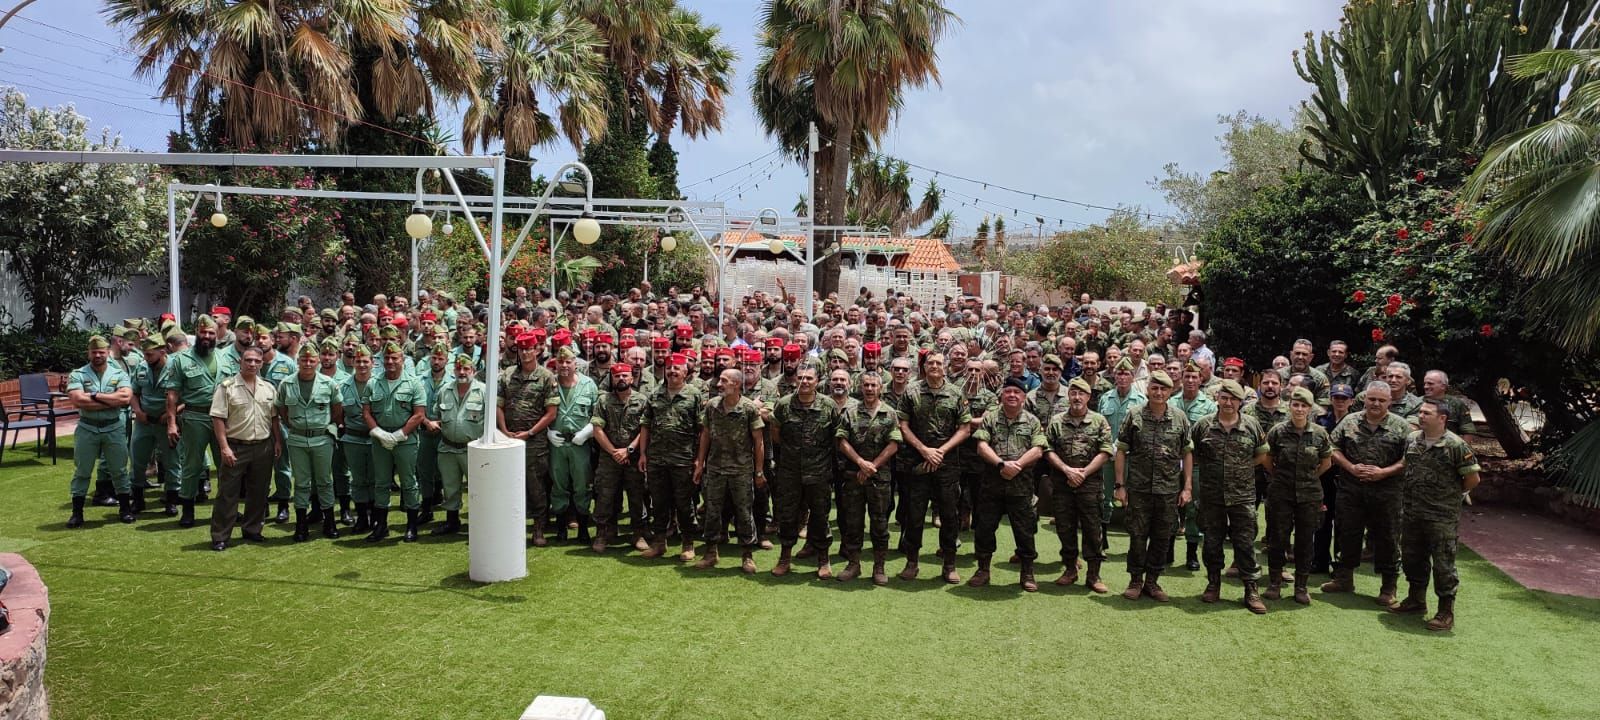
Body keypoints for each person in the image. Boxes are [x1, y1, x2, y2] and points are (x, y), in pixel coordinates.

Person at [1389, 399, 1481, 631]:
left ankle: (1445, 612)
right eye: (1420, 412)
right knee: (1412, 557)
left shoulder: (1456, 445)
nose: (1421, 416)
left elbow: (1472, 479)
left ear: (1442, 418)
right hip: (1412, 512)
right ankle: (1416, 600)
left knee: (1443, 565)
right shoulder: (1412, 439)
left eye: (1427, 413)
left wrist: (1449, 497)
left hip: (1441, 517)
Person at [1323, 381, 1411, 605]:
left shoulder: (1401, 427)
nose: (1375, 403)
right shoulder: (1350, 421)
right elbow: (1332, 448)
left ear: (1390, 402)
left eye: (1381, 400)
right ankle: (1344, 578)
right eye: (1372, 399)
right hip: (1351, 491)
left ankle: (1388, 587)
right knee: (1346, 533)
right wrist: (1350, 467)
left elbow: (1410, 458)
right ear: (1365, 399)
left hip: (1387, 493)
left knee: (1388, 538)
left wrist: (1384, 472)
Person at [1189, 379, 1269, 612]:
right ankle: (1213, 584)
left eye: (1233, 398)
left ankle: (1251, 589)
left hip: (1242, 496)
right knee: (1212, 542)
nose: (1228, 402)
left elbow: (1262, 455)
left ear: (1240, 402)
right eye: (1224, 397)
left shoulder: (1252, 425)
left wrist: (1241, 469)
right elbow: (1192, 455)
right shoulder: (1203, 426)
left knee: (1245, 543)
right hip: (1211, 495)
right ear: (1217, 399)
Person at [1113, 370, 1193, 602]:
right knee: (1137, 536)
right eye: (1154, 388)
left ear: (1170, 392)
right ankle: (1136, 580)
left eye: (1163, 389)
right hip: (1138, 489)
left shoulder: (1179, 418)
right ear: (1148, 389)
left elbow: (1187, 453)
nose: (1158, 393)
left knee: (1162, 537)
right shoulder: (1134, 415)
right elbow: (1121, 450)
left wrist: (1187, 487)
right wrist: (1120, 485)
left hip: (1168, 491)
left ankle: (1153, 581)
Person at [897, 353, 972, 584]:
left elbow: (965, 428)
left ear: (945, 366)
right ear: (924, 367)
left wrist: (941, 451)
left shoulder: (956, 393)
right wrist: (924, 450)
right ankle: (912, 562)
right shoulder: (911, 391)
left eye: (939, 363)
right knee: (915, 515)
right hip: (918, 463)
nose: (935, 366)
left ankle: (949, 564)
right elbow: (903, 425)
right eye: (931, 363)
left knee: (949, 515)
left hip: (947, 464)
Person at [770, 365, 842, 576]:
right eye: (801, 377)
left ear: (817, 381)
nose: (804, 382)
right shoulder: (784, 405)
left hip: (819, 473)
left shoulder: (828, 405)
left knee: (820, 517)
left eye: (809, 378)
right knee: (788, 515)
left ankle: (823, 560)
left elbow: (836, 437)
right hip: (790, 472)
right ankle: (784, 559)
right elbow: (776, 433)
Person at [1262, 387, 1333, 604]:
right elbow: (1267, 458)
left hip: (1309, 495)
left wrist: (1309, 478)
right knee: (1278, 538)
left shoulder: (1320, 434)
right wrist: (1278, 476)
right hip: (1281, 493)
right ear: (1290, 406)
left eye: (1304, 406)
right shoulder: (1278, 431)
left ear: (1310, 409)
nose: (1299, 409)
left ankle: (1301, 587)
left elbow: (1326, 462)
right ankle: (1274, 583)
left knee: (1305, 541)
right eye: (1296, 404)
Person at [1043, 377, 1113, 591]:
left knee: (1093, 530)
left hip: (1090, 485)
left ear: (1088, 397)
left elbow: (1106, 451)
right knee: (1065, 528)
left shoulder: (1099, 421)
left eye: (1081, 393)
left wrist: (1083, 473)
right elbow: (1047, 450)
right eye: (1073, 393)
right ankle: (1070, 569)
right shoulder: (1056, 421)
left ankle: (1094, 575)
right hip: (1063, 484)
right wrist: (1066, 470)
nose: (1076, 397)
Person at [692, 368, 764, 574]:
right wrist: (700, 463)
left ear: (736, 384)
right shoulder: (712, 406)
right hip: (715, 468)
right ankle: (710, 552)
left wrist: (759, 471)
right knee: (712, 511)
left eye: (724, 381)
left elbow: (758, 441)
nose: (719, 384)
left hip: (741, 469)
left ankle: (747, 555)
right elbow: (705, 435)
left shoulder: (749, 408)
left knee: (743, 512)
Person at [207, 347, 280, 551]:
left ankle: (252, 529)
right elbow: (218, 418)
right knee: (227, 493)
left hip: (263, 446)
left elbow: (274, 418)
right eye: (248, 360)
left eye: (257, 361)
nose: (252, 364)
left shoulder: (268, 388)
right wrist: (224, 447)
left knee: (259, 491)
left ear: (262, 363)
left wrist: (277, 441)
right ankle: (220, 535)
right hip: (236, 446)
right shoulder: (227, 387)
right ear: (240, 361)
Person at [835, 370, 902, 584]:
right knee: (853, 522)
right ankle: (853, 564)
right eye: (866, 385)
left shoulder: (890, 413)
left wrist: (872, 465)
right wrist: (860, 463)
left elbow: (894, 444)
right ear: (860, 387)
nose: (870, 389)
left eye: (874, 385)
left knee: (880, 523)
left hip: (879, 477)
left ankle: (879, 566)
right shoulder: (850, 411)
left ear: (880, 388)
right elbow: (842, 440)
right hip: (854, 475)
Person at [638, 353, 705, 562]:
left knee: (684, 504)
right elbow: (645, 425)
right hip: (657, 459)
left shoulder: (694, 395)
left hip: (683, 460)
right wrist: (642, 454)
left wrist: (699, 460)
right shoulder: (655, 394)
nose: (672, 371)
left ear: (686, 372)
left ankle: (688, 543)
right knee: (659, 503)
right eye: (669, 368)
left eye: (677, 368)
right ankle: (659, 543)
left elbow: (703, 430)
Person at [65, 335, 135, 527]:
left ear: (107, 353)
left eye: (101, 352)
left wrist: (94, 396)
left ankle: (125, 509)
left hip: (113, 427)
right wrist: (109, 400)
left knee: (119, 470)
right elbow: (78, 400)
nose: (97, 355)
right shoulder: (78, 374)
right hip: (87, 428)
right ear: (88, 353)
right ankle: (77, 513)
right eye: (94, 352)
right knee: (82, 471)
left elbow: (125, 398)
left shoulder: (119, 373)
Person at [276, 343, 342, 542]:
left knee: (324, 481)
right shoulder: (287, 384)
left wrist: (325, 426)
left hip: (322, 438)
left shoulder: (328, 383)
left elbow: (337, 409)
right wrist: (293, 426)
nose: (307, 363)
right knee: (302, 483)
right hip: (296, 438)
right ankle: (301, 524)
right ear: (298, 361)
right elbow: (282, 410)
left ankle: (329, 521)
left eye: (311, 360)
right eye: (303, 360)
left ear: (318, 361)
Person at [498, 332, 559, 546]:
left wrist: (531, 432)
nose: (525, 353)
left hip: (535, 441)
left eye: (529, 348)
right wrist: (504, 431)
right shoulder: (506, 375)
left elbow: (551, 412)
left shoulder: (546, 376)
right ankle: (510, 526)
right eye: (522, 349)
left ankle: (539, 527)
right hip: (509, 438)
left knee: (536, 486)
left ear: (537, 350)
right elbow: (499, 405)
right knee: (508, 484)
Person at [364, 342, 427, 543]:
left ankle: (411, 526)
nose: (390, 362)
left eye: (395, 358)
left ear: (403, 360)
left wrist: (399, 435)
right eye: (387, 358)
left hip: (405, 440)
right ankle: (381, 526)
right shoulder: (373, 383)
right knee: (381, 482)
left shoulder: (414, 383)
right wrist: (379, 433)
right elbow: (366, 412)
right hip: (380, 439)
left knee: (408, 482)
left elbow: (419, 415)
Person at [162, 315, 222, 527]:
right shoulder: (181, 359)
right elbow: (172, 394)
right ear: (196, 332)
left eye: (211, 333)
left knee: (225, 464)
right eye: (203, 332)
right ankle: (188, 510)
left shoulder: (225, 358)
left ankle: (225, 510)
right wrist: (171, 423)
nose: (207, 336)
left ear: (217, 334)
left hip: (221, 419)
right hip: (195, 416)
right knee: (191, 465)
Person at [425, 353, 486, 536]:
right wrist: (433, 423)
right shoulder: (445, 390)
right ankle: (452, 522)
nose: (462, 372)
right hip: (448, 447)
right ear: (453, 370)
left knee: (478, 488)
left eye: (466, 368)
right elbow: (437, 414)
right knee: (450, 487)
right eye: (459, 368)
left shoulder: (483, 391)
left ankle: (479, 524)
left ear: (474, 371)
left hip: (472, 449)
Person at [590, 363, 649, 552]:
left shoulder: (642, 400)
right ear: (612, 379)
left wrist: (629, 450)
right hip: (609, 458)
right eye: (617, 376)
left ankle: (638, 533)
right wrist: (614, 452)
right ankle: (601, 534)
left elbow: (645, 428)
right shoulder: (603, 401)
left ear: (632, 378)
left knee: (636, 496)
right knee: (605, 496)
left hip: (633, 457)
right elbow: (597, 428)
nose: (621, 379)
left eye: (625, 376)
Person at [549, 347, 600, 543]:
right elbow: (541, 411)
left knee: (582, 486)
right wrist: (547, 432)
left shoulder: (588, 385)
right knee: (558, 485)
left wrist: (588, 431)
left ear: (575, 363)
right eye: (560, 362)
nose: (564, 366)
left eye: (568, 362)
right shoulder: (550, 383)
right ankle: (561, 528)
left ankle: (583, 528)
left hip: (580, 443)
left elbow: (597, 413)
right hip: (558, 442)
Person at [1171, 361, 1218, 570]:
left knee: (1193, 508)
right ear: (1181, 379)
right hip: (1171, 465)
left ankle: (1191, 553)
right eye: (1187, 376)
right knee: (1169, 507)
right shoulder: (1171, 402)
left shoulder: (1209, 406)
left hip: (1197, 464)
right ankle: (1167, 550)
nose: (1190, 380)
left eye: (1194, 377)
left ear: (1201, 379)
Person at [130, 336, 180, 516]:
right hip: (144, 421)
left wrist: (169, 415)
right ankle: (137, 499)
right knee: (137, 460)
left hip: (166, 422)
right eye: (144, 354)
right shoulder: (142, 367)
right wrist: (137, 411)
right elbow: (133, 392)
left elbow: (185, 397)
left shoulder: (176, 367)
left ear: (162, 351)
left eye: (150, 355)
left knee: (172, 461)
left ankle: (171, 500)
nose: (146, 358)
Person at [1097, 358, 1145, 544]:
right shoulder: (1105, 398)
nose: (1123, 377)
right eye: (1119, 373)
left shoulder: (1141, 400)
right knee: (1104, 495)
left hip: (1131, 457)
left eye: (1127, 373)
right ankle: (1103, 534)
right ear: (1114, 376)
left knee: (1134, 498)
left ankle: (1135, 538)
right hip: (1109, 455)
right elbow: (1100, 425)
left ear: (1133, 377)